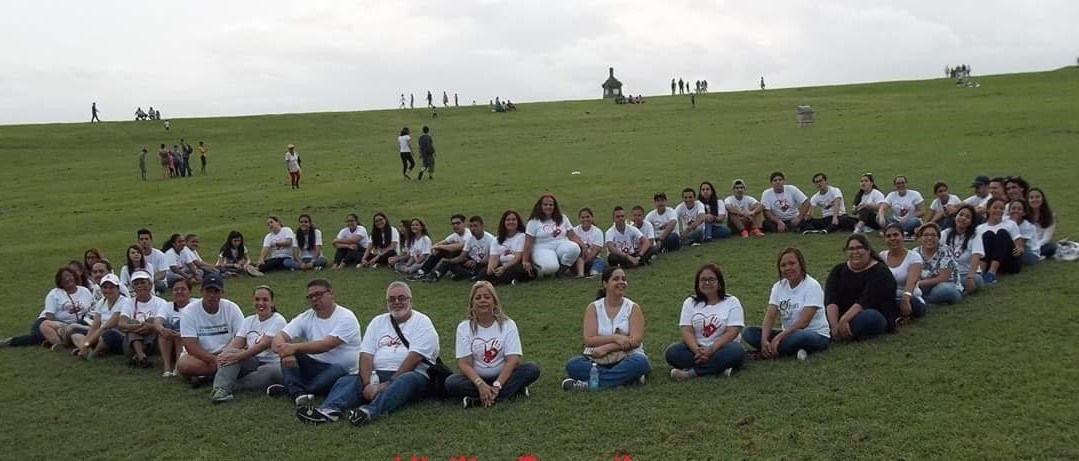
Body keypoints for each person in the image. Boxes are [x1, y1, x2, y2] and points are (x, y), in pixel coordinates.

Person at [297, 281, 439, 426]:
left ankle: (369, 411)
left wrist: (388, 384)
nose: (397, 302)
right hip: (378, 374)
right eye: (391, 299)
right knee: (347, 380)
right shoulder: (378, 322)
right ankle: (329, 411)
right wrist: (367, 384)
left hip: (411, 374)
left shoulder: (422, 322)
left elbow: (415, 357)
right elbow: (366, 354)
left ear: (410, 300)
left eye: (402, 298)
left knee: (406, 380)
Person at [445, 281, 541, 408]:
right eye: (478, 298)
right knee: (451, 382)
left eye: (487, 297)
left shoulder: (508, 325)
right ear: (472, 304)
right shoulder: (463, 327)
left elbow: (513, 360)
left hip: (504, 377)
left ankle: (478, 400)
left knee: (532, 369)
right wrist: (480, 384)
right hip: (477, 379)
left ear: (494, 301)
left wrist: (497, 385)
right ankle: (512, 392)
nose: (482, 300)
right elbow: (464, 363)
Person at [269, 279, 363, 408]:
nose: (314, 299)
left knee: (336, 370)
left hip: (342, 371)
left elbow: (326, 345)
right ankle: (298, 393)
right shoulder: (306, 317)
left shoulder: (346, 317)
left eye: (318, 294)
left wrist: (292, 348)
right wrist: (286, 353)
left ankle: (294, 389)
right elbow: (278, 337)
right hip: (314, 367)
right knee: (287, 352)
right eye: (310, 296)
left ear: (331, 294)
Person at [562, 267, 650, 391]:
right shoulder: (593, 308)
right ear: (605, 283)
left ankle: (589, 385)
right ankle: (625, 380)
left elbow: (635, 341)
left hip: (627, 357)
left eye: (624, 279)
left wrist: (607, 348)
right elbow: (589, 340)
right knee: (573, 364)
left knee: (641, 362)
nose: (621, 282)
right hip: (599, 360)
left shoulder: (633, 308)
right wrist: (616, 337)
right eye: (616, 279)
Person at [743, 248, 830, 359]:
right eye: (783, 265)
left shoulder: (812, 286)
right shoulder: (778, 287)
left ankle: (764, 354)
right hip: (788, 334)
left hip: (814, 334)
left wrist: (779, 337)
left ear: (801, 264)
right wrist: (764, 339)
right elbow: (770, 315)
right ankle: (783, 349)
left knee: (800, 337)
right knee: (749, 333)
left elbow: (804, 322)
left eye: (792, 263)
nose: (788, 268)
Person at [665, 263, 747, 380]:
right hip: (696, 350)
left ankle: (690, 374)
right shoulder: (690, 302)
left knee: (737, 350)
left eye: (711, 279)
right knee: (672, 352)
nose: (707, 283)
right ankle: (719, 368)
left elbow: (732, 332)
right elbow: (686, 331)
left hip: (722, 348)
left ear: (719, 283)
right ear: (698, 284)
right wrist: (697, 350)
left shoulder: (732, 302)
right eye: (703, 280)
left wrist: (712, 349)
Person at [210, 285, 288, 403]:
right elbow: (237, 343)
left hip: (274, 364)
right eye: (257, 299)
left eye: (265, 300)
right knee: (231, 352)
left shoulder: (278, 320)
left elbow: (262, 345)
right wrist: (224, 354)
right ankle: (220, 389)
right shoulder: (248, 320)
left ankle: (228, 386)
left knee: (267, 372)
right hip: (253, 361)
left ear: (272, 303)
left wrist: (237, 356)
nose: (260, 303)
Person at [175, 273, 244, 388]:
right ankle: (224, 373)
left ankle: (206, 376)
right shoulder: (189, 311)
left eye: (216, 291)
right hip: (200, 357)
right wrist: (214, 359)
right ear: (201, 292)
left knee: (247, 358)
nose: (212, 295)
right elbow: (190, 345)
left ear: (222, 293)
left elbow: (241, 337)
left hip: (227, 353)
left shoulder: (232, 308)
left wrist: (225, 355)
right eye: (208, 291)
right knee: (184, 364)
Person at [824, 234, 898, 340]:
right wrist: (834, 324)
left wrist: (844, 320)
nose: (855, 252)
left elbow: (865, 300)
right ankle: (836, 331)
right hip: (840, 315)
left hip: (867, 312)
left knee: (870, 318)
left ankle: (841, 332)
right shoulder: (838, 270)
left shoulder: (880, 271)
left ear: (868, 250)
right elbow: (831, 299)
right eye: (851, 249)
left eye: (859, 248)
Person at [0, 267, 94, 349]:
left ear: (74, 276)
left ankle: (55, 341)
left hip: (74, 324)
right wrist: (59, 328)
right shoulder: (55, 293)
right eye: (63, 278)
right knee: (39, 336)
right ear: (59, 281)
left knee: (46, 337)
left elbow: (90, 309)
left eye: (69, 275)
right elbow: (49, 315)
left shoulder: (84, 291)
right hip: (49, 322)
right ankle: (10, 341)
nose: (67, 279)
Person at [68, 274, 127, 359]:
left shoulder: (124, 302)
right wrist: (86, 344)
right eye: (105, 287)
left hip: (118, 335)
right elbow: (95, 326)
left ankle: (92, 353)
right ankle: (87, 349)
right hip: (100, 333)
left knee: (106, 335)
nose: (107, 290)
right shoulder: (102, 302)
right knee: (75, 332)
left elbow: (107, 326)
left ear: (118, 288)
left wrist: (86, 344)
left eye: (111, 287)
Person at [117, 271, 169, 367]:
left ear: (150, 284)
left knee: (152, 321)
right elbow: (121, 323)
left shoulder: (161, 302)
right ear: (133, 288)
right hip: (131, 345)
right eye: (136, 284)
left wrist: (151, 327)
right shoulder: (129, 302)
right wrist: (137, 326)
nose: (140, 286)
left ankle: (140, 356)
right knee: (133, 322)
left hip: (153, 343)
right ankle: (140, 355)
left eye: (143, 282)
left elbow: (164, 324)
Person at [522, 194, 582, 277]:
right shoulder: (533, 221)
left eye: (551, 205)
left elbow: (572, 235)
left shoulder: (562, 217)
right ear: (540, 206)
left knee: (575, 248)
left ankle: (561, 269)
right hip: (542, 247)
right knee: (550, 268)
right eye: (545, 204)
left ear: (555, 206)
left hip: (561, 244)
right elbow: (528, 242)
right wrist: (525, 260)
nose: (548, 207)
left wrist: (583, 246)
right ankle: (541, 266)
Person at [880, 223, 927, 321]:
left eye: (896, 235)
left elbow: (911, 282)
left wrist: (905, 299)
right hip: (889, 299)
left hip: (909, 297)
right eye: (888, 236)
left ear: (903, 236)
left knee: (914, 305)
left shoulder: (914, 257)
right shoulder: (882, 257)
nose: (892, 238)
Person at [914, 223, 964, 306]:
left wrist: (918, 284)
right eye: (925, 235)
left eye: (933, 235)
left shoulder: (945, 251)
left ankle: (925, 302)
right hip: (925, 286)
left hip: (948, 284)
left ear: (938, 238)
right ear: (920, 238)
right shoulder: (915, 253)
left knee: (943, 290)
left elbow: (943, 278)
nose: (929, 238)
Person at [977, 198, 1022, 284]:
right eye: (995, 207)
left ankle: (992, 273)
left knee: (1002, 232)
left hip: (1008, 262)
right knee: (988, 234)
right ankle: (980, 273)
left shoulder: (1010, 224)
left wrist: (1019, 249)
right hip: (988, 260)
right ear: (988, 210)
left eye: (1001, 208)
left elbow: (1019, 246)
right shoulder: (980, 228)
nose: (998, 210)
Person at [941, 204, 985, 293]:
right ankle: (954, 290)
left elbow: (976, 256)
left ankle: (954, 289)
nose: (963, 218)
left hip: (965, 274)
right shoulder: (945, 233)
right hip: (946, 275)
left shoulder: (975, 235)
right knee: (943, 288)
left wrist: (970, 277)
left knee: (977, 279)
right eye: (961, 214)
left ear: (971, 222)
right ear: (955, 217)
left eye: (968, 217)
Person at [154, 278, 193, 377]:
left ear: (189, 291)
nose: (179, 292)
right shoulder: (168, 306)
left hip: (191, 342)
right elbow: (157, 321)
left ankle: (177, 366)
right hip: (171, 342)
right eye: (176, 289)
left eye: (183, 289)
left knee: (181, 334)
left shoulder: (196, 304)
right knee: (164, 332)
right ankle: (167, 368)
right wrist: (162, 329)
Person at [413, 214, 467, 280]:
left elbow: (456, 247)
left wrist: (438, 247)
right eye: (453, 224)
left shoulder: (468, 235)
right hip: (458, 260)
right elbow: (443, 242)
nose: (455, 225)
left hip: (468, 261)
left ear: (464, 223)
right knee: (441, 250)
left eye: (458, 223)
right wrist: (435, 247)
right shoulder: (455, 235)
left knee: (449, 251)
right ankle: (422, 271)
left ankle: (436, 274)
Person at [442, 216, 496, 281]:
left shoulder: (491, 239)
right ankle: (469, 274)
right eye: (471, 226)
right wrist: (449, 261)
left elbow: (489, 258)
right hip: (471, 263)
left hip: (483, 263)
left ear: (482, 226)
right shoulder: (469, 238)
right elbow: (462, 256)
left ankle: (469, 274)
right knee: (452, 263)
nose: (473, 229)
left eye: (475, 226)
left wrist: (476, 262)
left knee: (486, 270)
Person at [487, 210, 532, 285]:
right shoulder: (496, 239)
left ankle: (499, 281)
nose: (511, 222)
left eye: (514, 220)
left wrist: (504, 268)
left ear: (518, 222)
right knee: (485, 272)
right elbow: (494, 258)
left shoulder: (522, 237)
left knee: (518, 270)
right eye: (508, 220)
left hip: (515, 265)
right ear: (503, 222)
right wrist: (491, 269)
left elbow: (517, 258)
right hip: (502, 265)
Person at [573, 208, 606, 278]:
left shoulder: (598, 232)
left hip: (592, 259)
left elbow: (596, 251)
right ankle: (580, 273)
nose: (585, 219)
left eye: (588, 217)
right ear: (579, 219)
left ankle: (594, 273)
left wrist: (584, 262)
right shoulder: (574, 231)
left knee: (599, 262)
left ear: (592, 217)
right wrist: (580, 263)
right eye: (582, 217)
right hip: (578, 259)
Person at [1026, 188, 1057, 258]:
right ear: (1027, 200)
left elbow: (1046, 238)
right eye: (1031, 198)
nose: (1034, 200)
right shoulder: (1024, 214)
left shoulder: (1050, 215)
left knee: (1052, 247)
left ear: (1042, 199)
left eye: (1037, 197)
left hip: (1041, 244)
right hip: (1027, 243)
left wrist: (1035, 247)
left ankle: (1035, 254)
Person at [1009, 200, 1039, 266]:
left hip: (1028, 249)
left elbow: (1020, 245)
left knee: (1027, 260)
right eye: (1013, 208)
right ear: (1009, 211)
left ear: (1024, 213)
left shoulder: (1028, 226)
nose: (1015, 211)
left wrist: (1014, 224)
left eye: (1019, 209)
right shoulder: (1005, 221)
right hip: (1012, 246)